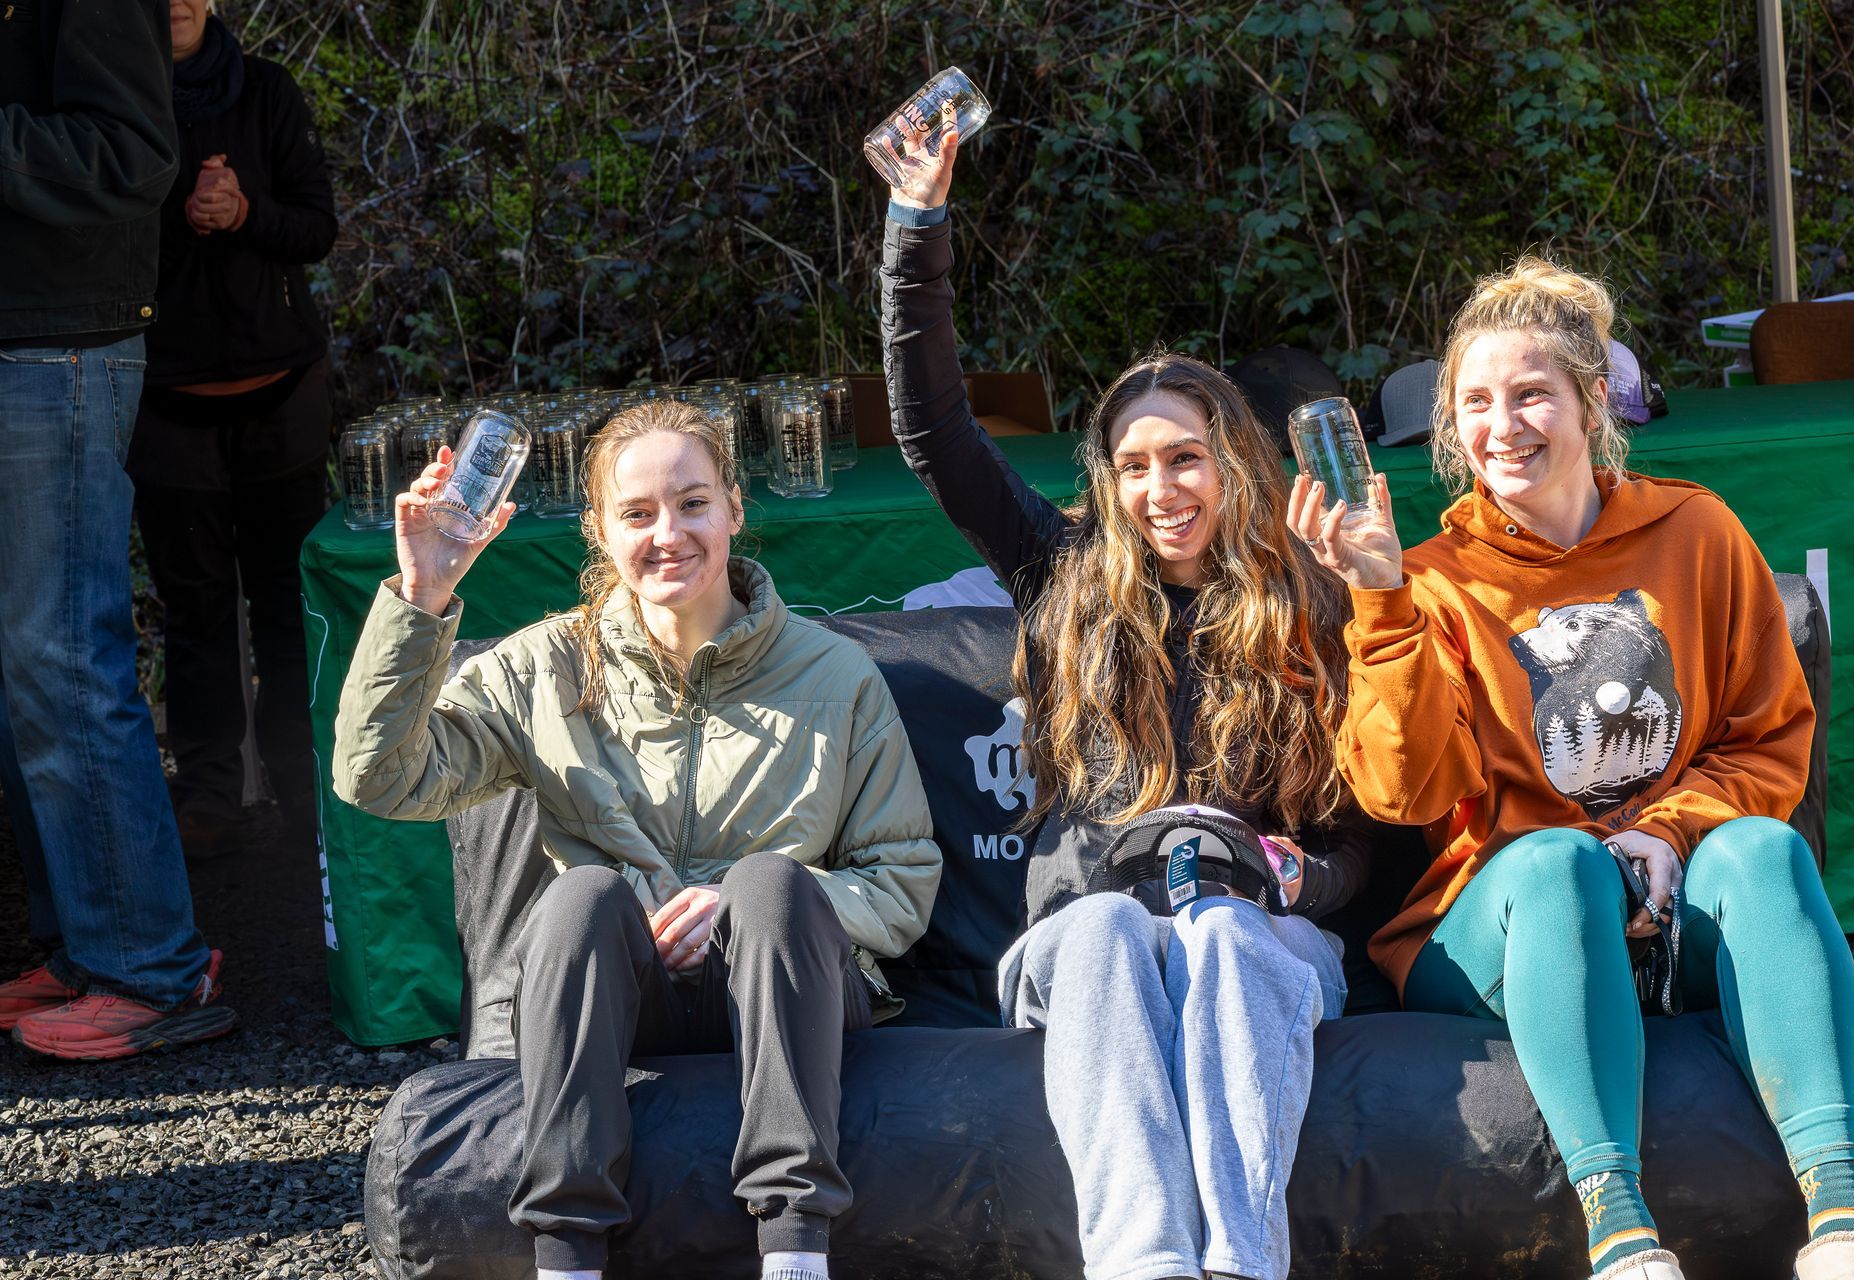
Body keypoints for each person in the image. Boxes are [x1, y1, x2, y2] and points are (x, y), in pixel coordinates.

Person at [1287, 255, 1854, 1280]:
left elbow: (1769, 740)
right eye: (1474, 402)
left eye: (1531, 394)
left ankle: (1843, 1219)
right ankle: (1620, 1233)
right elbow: (1405, 792)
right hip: (1503, 926)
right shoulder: (1432, 580)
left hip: (1673, 917)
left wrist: (1667, 828)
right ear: (1448, 427)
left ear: (1590, 405)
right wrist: (1381, 600)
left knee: (1760, 847)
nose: (1502, 424)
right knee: (1562, 861)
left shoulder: (1698, 531)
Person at [881, 129, 1369, 1280]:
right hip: (1088, 929)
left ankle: (1241, 1263)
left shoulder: (1313, 603)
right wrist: (917, 230)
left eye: (1186, 458)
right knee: (1107, 927)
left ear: (1233, 463)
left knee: (1224, 934)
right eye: (1136, 465)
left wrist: (1297, 873)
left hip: (1266, 939)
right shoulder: (1064, 578)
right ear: (1108, 480)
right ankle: (1145, 1265)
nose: (1163, 489)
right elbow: (934, 429)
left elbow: (1366, 841)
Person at [332, 401, 941, 1280]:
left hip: (787, 992)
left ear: (734, 508)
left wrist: (755, 899)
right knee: (580, 897)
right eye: (638, 513)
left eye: (693, 503)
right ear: (599, 532)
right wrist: (423, 596)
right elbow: (376, 777)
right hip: (628, 997)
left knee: (770, 883)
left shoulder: (834, 675)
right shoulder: (541, 666)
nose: (670, 533)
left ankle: (798, 1251)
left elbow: (903, 879)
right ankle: (568, 1256)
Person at [0, 0, 235, 1060]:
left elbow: (132, 155)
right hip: (20, 343)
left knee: (65, 654)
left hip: (61, 353)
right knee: (22, 669)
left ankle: (154, 965)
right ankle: (88, 946)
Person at [127, 0, 339, 858]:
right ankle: (210, 798)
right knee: (196, 608)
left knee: (288, 603)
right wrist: (187, 215)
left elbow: (317, 226)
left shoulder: (267, 91)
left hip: (279, 390)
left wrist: (246, 213)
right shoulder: (117, 96)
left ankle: (306, 790)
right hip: (166, 396)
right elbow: (96, 243)